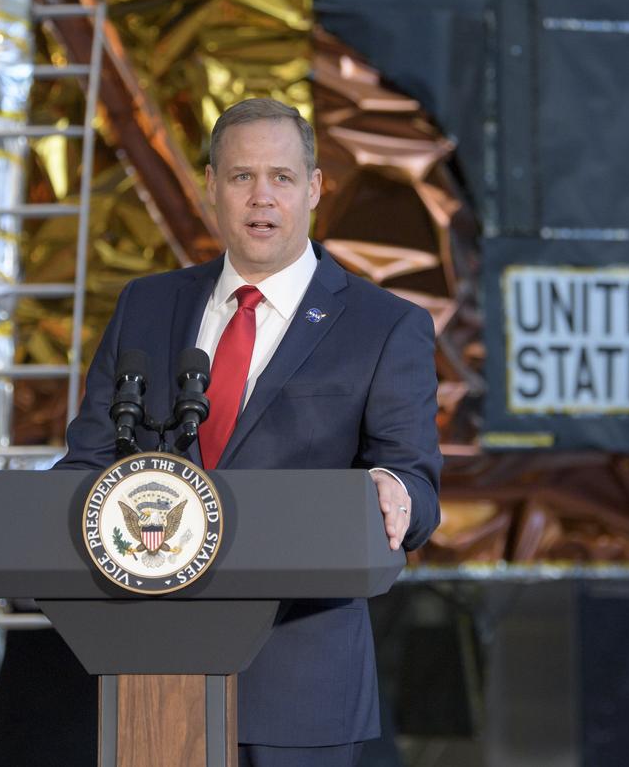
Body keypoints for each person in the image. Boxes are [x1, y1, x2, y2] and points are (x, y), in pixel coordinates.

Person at [56, 98, 442, 765]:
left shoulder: (384, 326)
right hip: (152, 679)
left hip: (300, 688)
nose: (261, 198)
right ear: (210, 187)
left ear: (314, 189)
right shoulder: (147, 306)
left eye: (282, 178)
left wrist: (389, 486)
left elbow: (416, 487)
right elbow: (86, 467)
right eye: (240, 178)